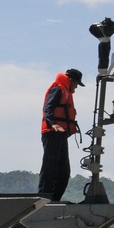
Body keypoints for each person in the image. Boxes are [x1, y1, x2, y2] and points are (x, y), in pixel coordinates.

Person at [38, 68, 84, 202]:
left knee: (64, 172)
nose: (75, 88)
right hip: (52, 133)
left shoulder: (66, 92)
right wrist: (53, 124)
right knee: (50, 167)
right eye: (76, 84)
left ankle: (54, 199)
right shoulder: (57, 89)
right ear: (70, 80)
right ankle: (43, 198)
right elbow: (48, 108)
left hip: (60, 135)